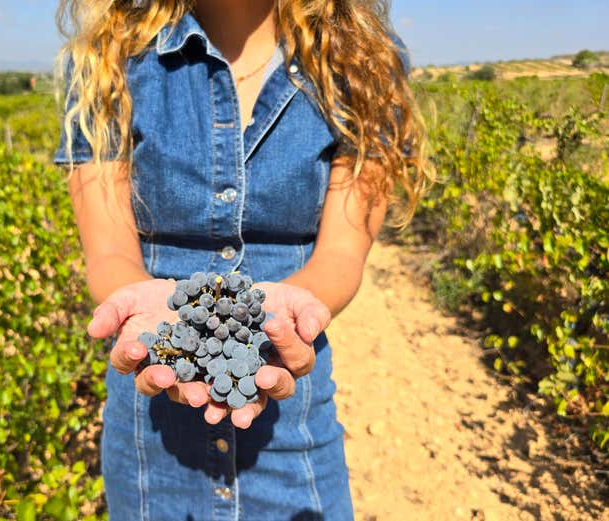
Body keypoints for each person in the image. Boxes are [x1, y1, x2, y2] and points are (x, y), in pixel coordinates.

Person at [53, 0, 432, 519]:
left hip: (291, 415)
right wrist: (146, 318)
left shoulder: (362, 64)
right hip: (152, 431)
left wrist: (288, 314)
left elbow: (341, 256)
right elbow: (110, 254)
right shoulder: (107, 61)